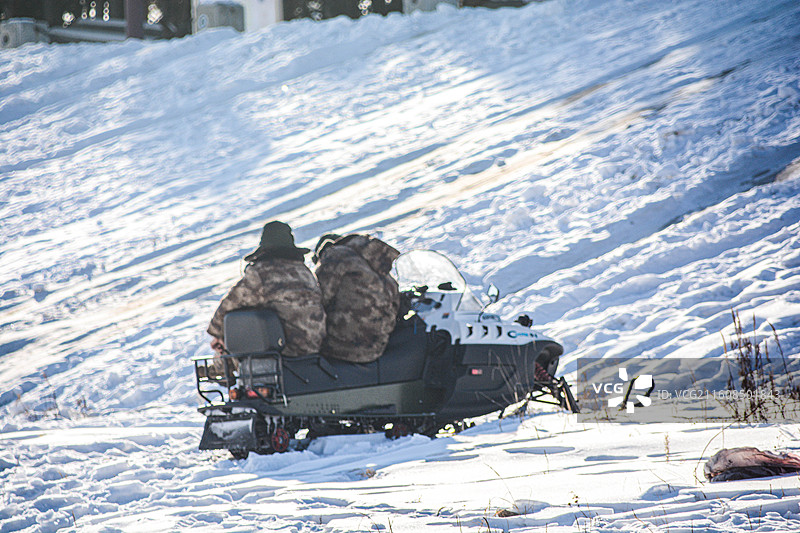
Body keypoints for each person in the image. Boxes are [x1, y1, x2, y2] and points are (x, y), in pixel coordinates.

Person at [207, 221, 326, 367]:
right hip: (313, 349)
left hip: (284, 352)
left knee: (239, 322)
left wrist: (217, 333)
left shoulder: (262, 274)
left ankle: (218, 370)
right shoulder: (305, 273)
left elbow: (228, 307)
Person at [313, 233, 400, 363]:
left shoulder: (335, 255)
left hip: (342, 349)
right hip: (376, 348)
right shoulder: (377, 265)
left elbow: (318, 299)